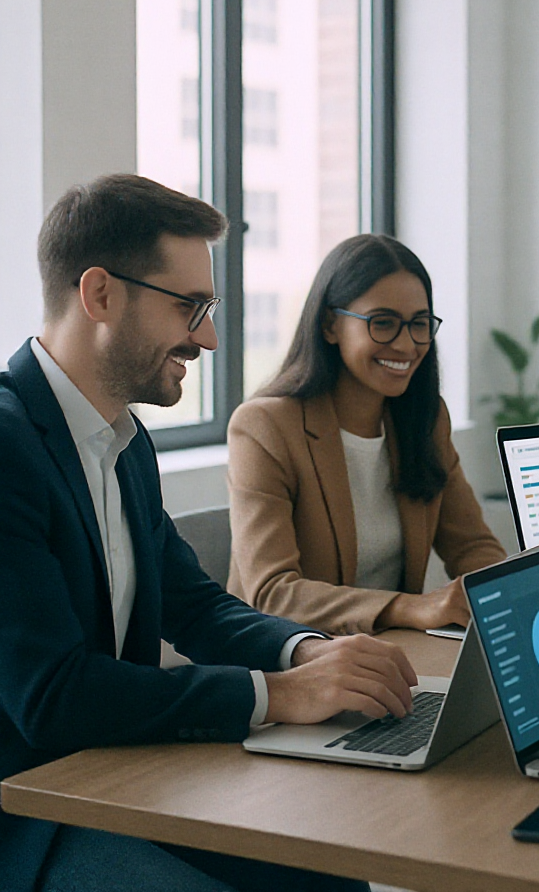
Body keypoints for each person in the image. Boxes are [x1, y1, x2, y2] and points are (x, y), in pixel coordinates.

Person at [0, 174, 418, 892]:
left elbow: (192, 603)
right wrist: (279, 694)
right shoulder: (7, 446)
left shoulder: (122, 441)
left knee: (326, 875)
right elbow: (53, 696)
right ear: (99, 294)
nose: (211, 337)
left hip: (112, 778)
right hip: (28, 813)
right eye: (190, 307)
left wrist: (312, 651)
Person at [226, 234, 505, 636]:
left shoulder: (425, 418)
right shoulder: (265, 426)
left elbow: (472, 547)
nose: (406, 344)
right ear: (329, 324)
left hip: (391, 656)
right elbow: (272, 594)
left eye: (419, 324)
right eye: (384, 323)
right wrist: (411, 607)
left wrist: (510, 595)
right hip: (291, 661)